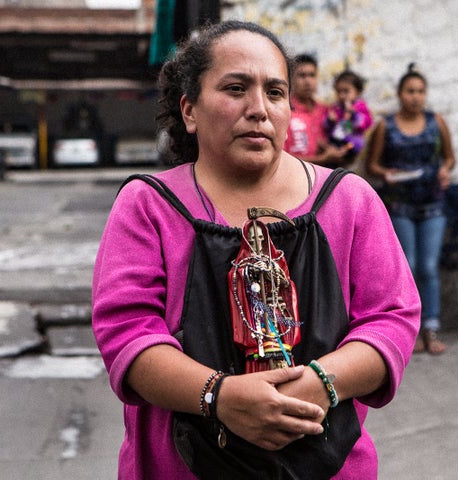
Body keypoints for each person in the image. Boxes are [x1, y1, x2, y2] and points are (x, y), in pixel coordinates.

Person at [92, 20, 420, 479]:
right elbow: (127, 334)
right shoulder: (149, 205)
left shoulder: (350, 200)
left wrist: (321, 383)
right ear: (189, 110)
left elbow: (392, 318)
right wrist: (218, 396)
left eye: (275, 92)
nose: (259, 109)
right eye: (235, 88)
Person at [366, 63, 456, 355]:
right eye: (410, 91)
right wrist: (387, 174)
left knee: (429, 267)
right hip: (400, 205)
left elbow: (450, 158)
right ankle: (409, 331)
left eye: (420, 91)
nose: (416, 97)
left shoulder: (436, 121)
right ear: (400, 94)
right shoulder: (386, 126)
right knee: (408, 266)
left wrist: (445, 170)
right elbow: (372, 165)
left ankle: (431, 328)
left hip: (433, 204)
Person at [284, 53, 352, 167]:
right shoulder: (286, 111)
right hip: (297, 178)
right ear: (291, 79)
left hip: (327, 177)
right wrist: (322, 159)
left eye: (312, 75)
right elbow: (282, 158)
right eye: (302, 75)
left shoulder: (327, 111)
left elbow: (343, 138)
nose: (308, 81)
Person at [323, 69, 374, 162]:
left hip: (352, 143)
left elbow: (366, 123)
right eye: (339, 92)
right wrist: (330, 121)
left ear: (357, 92)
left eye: (346, 91)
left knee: (349, 148)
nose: (342, 95)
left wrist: (354, 115)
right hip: (337, 140)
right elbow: (327, 127)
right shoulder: (336, 107)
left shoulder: (360, 107)